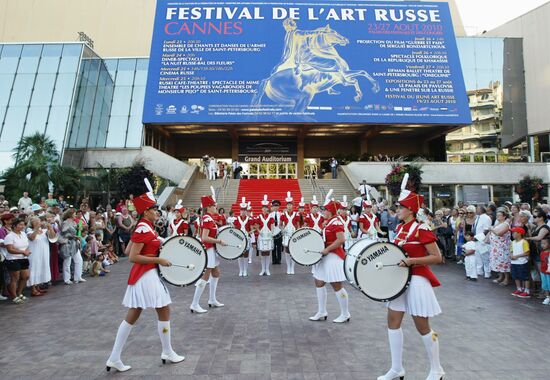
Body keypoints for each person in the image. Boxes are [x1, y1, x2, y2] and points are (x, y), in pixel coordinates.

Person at [106, 178, 185, 372]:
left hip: (143, 275)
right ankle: (166, 351)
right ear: (145, 211)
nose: (157, 212)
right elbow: (133, 257)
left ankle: (114, 357)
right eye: (154, 209)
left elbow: (127, 252)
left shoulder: (145, 227)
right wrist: (159, 260)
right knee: (163, 309)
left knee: (134, 314)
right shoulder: (143, 227)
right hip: (146, 274)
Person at [378, 175, 444, 380]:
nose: (396, 211)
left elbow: (437, 257)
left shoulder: (422, 229)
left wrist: (412, 261)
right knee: (392, 321)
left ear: (410, 210)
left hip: (417, 280)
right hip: (400, 280)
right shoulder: (400, 228)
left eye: (400, 208)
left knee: (422, 325)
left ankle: (436, 369)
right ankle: (396, 368)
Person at [309, 191, 350, 323]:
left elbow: (341, 240)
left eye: (325, 210)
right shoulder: (330, 221)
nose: (323, 212)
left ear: (331, 211)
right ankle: (322, 311)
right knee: (319, 281)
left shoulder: (336, 222)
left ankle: (345, 313)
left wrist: (327, 249)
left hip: (334, 256)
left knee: (336, 285)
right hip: (326, 255)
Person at [190, 187, 227, 313]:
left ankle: (212, 299)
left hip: (211, 250)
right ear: (209, 207)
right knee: (205, 276)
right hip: (209, 249)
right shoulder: (207, 218)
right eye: (214, 205)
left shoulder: (208, 218)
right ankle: (194, 303)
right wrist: (219, 241)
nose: (216, 207)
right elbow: (205, 237)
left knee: (216, 273)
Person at [26, 216, 56, 296]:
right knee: (34, 269)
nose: (38, 223)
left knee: (41, 268)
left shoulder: (44, 231)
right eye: (35, 222)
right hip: (34, 253)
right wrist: (36, 228)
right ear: (32, 223)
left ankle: (38, 287)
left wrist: (50, 228)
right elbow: (32, 238)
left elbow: (53, 238)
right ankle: (33, 289)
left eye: (38, 221)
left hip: (43, 253)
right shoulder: (29, 230)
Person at [4, 218, 31, 304]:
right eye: (20, 225)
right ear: (14, 226)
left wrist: (26, 251)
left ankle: (19, 293)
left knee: (26, 276)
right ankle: (14, 296)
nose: (22, 226)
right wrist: (23, 252)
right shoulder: (9, 236)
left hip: (23, 258)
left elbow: (26, 245)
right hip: (13, 259)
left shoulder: (23, 234)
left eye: (23, 225)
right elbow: (10, 249)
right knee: (15, 278)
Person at [488, 208, 511, 285]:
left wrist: (492, 229)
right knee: (498, 263)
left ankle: (506, 279)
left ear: (504, 216)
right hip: (496, 247)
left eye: (499, 215)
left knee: (504, 262)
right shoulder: (498, 223)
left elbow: (499, 233)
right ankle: (500, 277)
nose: (497, 217)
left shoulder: (506, 224)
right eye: (497, 215)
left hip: (503, 247)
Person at [281, 192, 299, 275]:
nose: (289, 206)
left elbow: (298, 225)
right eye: (288, 205)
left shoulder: (296, 214)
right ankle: (288, 266)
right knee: (287, 250)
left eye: (290, 205)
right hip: (286, 234)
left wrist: (297, 232)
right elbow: (280, 224)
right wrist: (282, 230)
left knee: (293, 250)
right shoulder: (283, 214)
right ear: (286, 206)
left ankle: (293, 267)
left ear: (293, 205)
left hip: (294, 234)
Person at [510, 227, 531, 299]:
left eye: (514, 233)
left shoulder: (524, 242)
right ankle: (519, 289)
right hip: (514, 262)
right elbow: (511, 251)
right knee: (515, 276)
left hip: (522, 262)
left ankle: (527, 291)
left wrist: (517, 256)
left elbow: (527, 252)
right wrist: (512, 256)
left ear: (519, 234)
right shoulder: (513, 242)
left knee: (525, 277)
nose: (512, 234)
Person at [234, 198, 252, 277]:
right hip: (238, 239)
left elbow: (251, 230)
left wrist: (250, 233)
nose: (243, 211)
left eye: (244, 210)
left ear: (246, 211)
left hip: (246, 239)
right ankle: (240, 270)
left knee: (246, 254)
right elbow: (234, 229)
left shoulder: (249, 219)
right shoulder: (236, 219)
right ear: (240, 211)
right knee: (240, 254)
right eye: (242, 210)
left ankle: (245, 270)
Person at [257, 195, 275, 276]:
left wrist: (271, 233)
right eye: (263, 207)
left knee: (267, 253)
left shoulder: (270, 217)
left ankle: (267, 269)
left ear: (268, 208)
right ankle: (262, 269)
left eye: (265, 207)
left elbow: (272, 226)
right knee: (262, 253)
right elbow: (256, 225)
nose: (264, 209)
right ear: (261, 208)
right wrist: (258, 231)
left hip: (268, 236)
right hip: (261, 236)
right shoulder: (259, 216)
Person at [474, 205, 492, 279]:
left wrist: (479, 237)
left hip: (483, 240)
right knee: (478, 256)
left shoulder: (486, 218)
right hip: (476, 239)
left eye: (477, 209)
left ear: (482, 210)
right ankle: (479, 271)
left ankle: (487, 272)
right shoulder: (477, 217)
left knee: (485, 257)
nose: (476, 210)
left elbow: (486, 229)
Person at [270, 200, 283, 265]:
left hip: (279, 231)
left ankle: (279, 260)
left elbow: (283, 223)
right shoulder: (270, 215)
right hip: (272, 232)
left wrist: (282, 230)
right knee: (273, 247)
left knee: (279, 247)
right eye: (274, 206)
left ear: (279, 207)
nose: (276, 207)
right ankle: (274, 260)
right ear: (272, 206)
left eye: (277, 206)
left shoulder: (281, 214)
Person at [539, 237, 550, 305]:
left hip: (549, 272)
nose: (542, 245)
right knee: (545, 285)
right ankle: (547, 297)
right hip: (543, 272)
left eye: (544, 243)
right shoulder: (542, 253)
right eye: (541, 243)